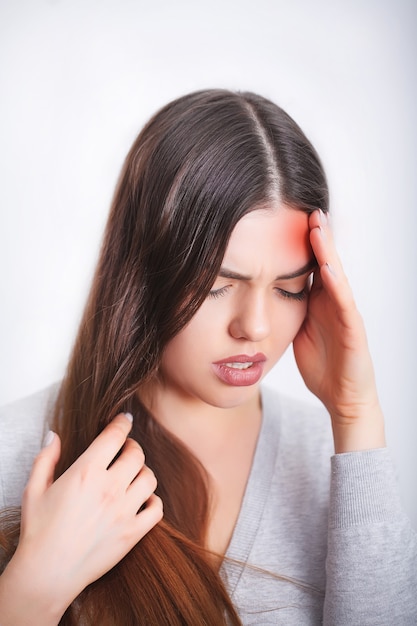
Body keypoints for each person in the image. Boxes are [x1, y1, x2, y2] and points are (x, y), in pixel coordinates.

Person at [0, 89, 415, 625]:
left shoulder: (338, 459)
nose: (256, 327)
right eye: (217, 285)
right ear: (144, 271)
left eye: (290, 289)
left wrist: (357, 417)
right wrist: (32, 588)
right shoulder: (18, 449)